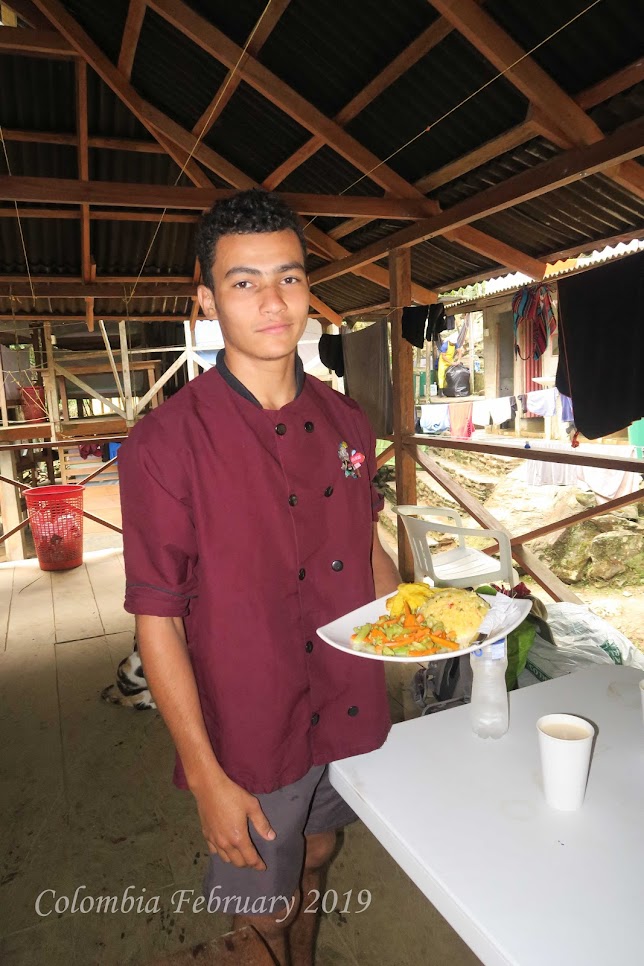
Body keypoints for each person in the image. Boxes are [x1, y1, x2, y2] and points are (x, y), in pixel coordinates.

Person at [118, 188, 400, 965]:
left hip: (348, 701)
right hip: (250, 726)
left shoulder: (347, 422)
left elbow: (366, 548)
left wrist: (426, 623)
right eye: (244, 282)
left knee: (318, 851)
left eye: (289, 277)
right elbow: (156, 620)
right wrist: (206, 776)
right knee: (260, 909)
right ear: (207, 299)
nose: (273, 302)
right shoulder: (166, 444)